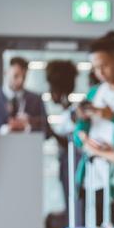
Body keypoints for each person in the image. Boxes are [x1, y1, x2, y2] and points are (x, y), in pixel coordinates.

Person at [74, 31, 114, 227]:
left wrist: (112, 117)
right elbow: (78, 134)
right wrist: (81, 131)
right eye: (96, 68)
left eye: (104, 65)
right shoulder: (93, 92)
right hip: (92, 174)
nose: (100, 72)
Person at [0, 57, 47, 133]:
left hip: (27, 144)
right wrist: (2, 130)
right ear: (5, 73)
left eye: (24, 77)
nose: (20, 81)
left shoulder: (36, 100)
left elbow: (47, 131)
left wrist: (27, 127)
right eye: (16, 76)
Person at [46, 59, 78, 210]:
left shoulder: (74, 113)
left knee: (73, 204)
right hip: (66, 164)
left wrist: (51, 131)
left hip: (73, 166)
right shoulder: (67, 112)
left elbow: (72, 142)